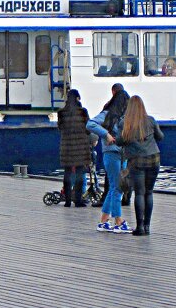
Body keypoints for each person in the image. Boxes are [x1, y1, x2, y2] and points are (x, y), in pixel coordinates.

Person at [117, 95, 164, 236]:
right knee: (149, 192)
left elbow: (120, 141)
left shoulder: (124, 123)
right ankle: (147, 227)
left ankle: (140, 227)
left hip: (137, 161)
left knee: (139, 193)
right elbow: (160, 136)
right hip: (154, 158)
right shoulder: (150, 120)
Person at [87, 85, 131, 233]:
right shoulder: (108, 114)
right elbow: (90, 124)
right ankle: (118, 221)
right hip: (113, 153)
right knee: (117, 186)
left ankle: (104, 221)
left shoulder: (115, 115)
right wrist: (106, 135)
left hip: (120, 153)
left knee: (114, 187)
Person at [56, 89, 92, 208]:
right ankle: (77, 200)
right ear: (77, 98)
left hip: (66, 147)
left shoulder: (61, 112)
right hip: (81, 147)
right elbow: (88, 129)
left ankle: (67, 201)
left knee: (67, 173)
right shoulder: (83, 112)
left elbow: (60, 128)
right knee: (79, 174)